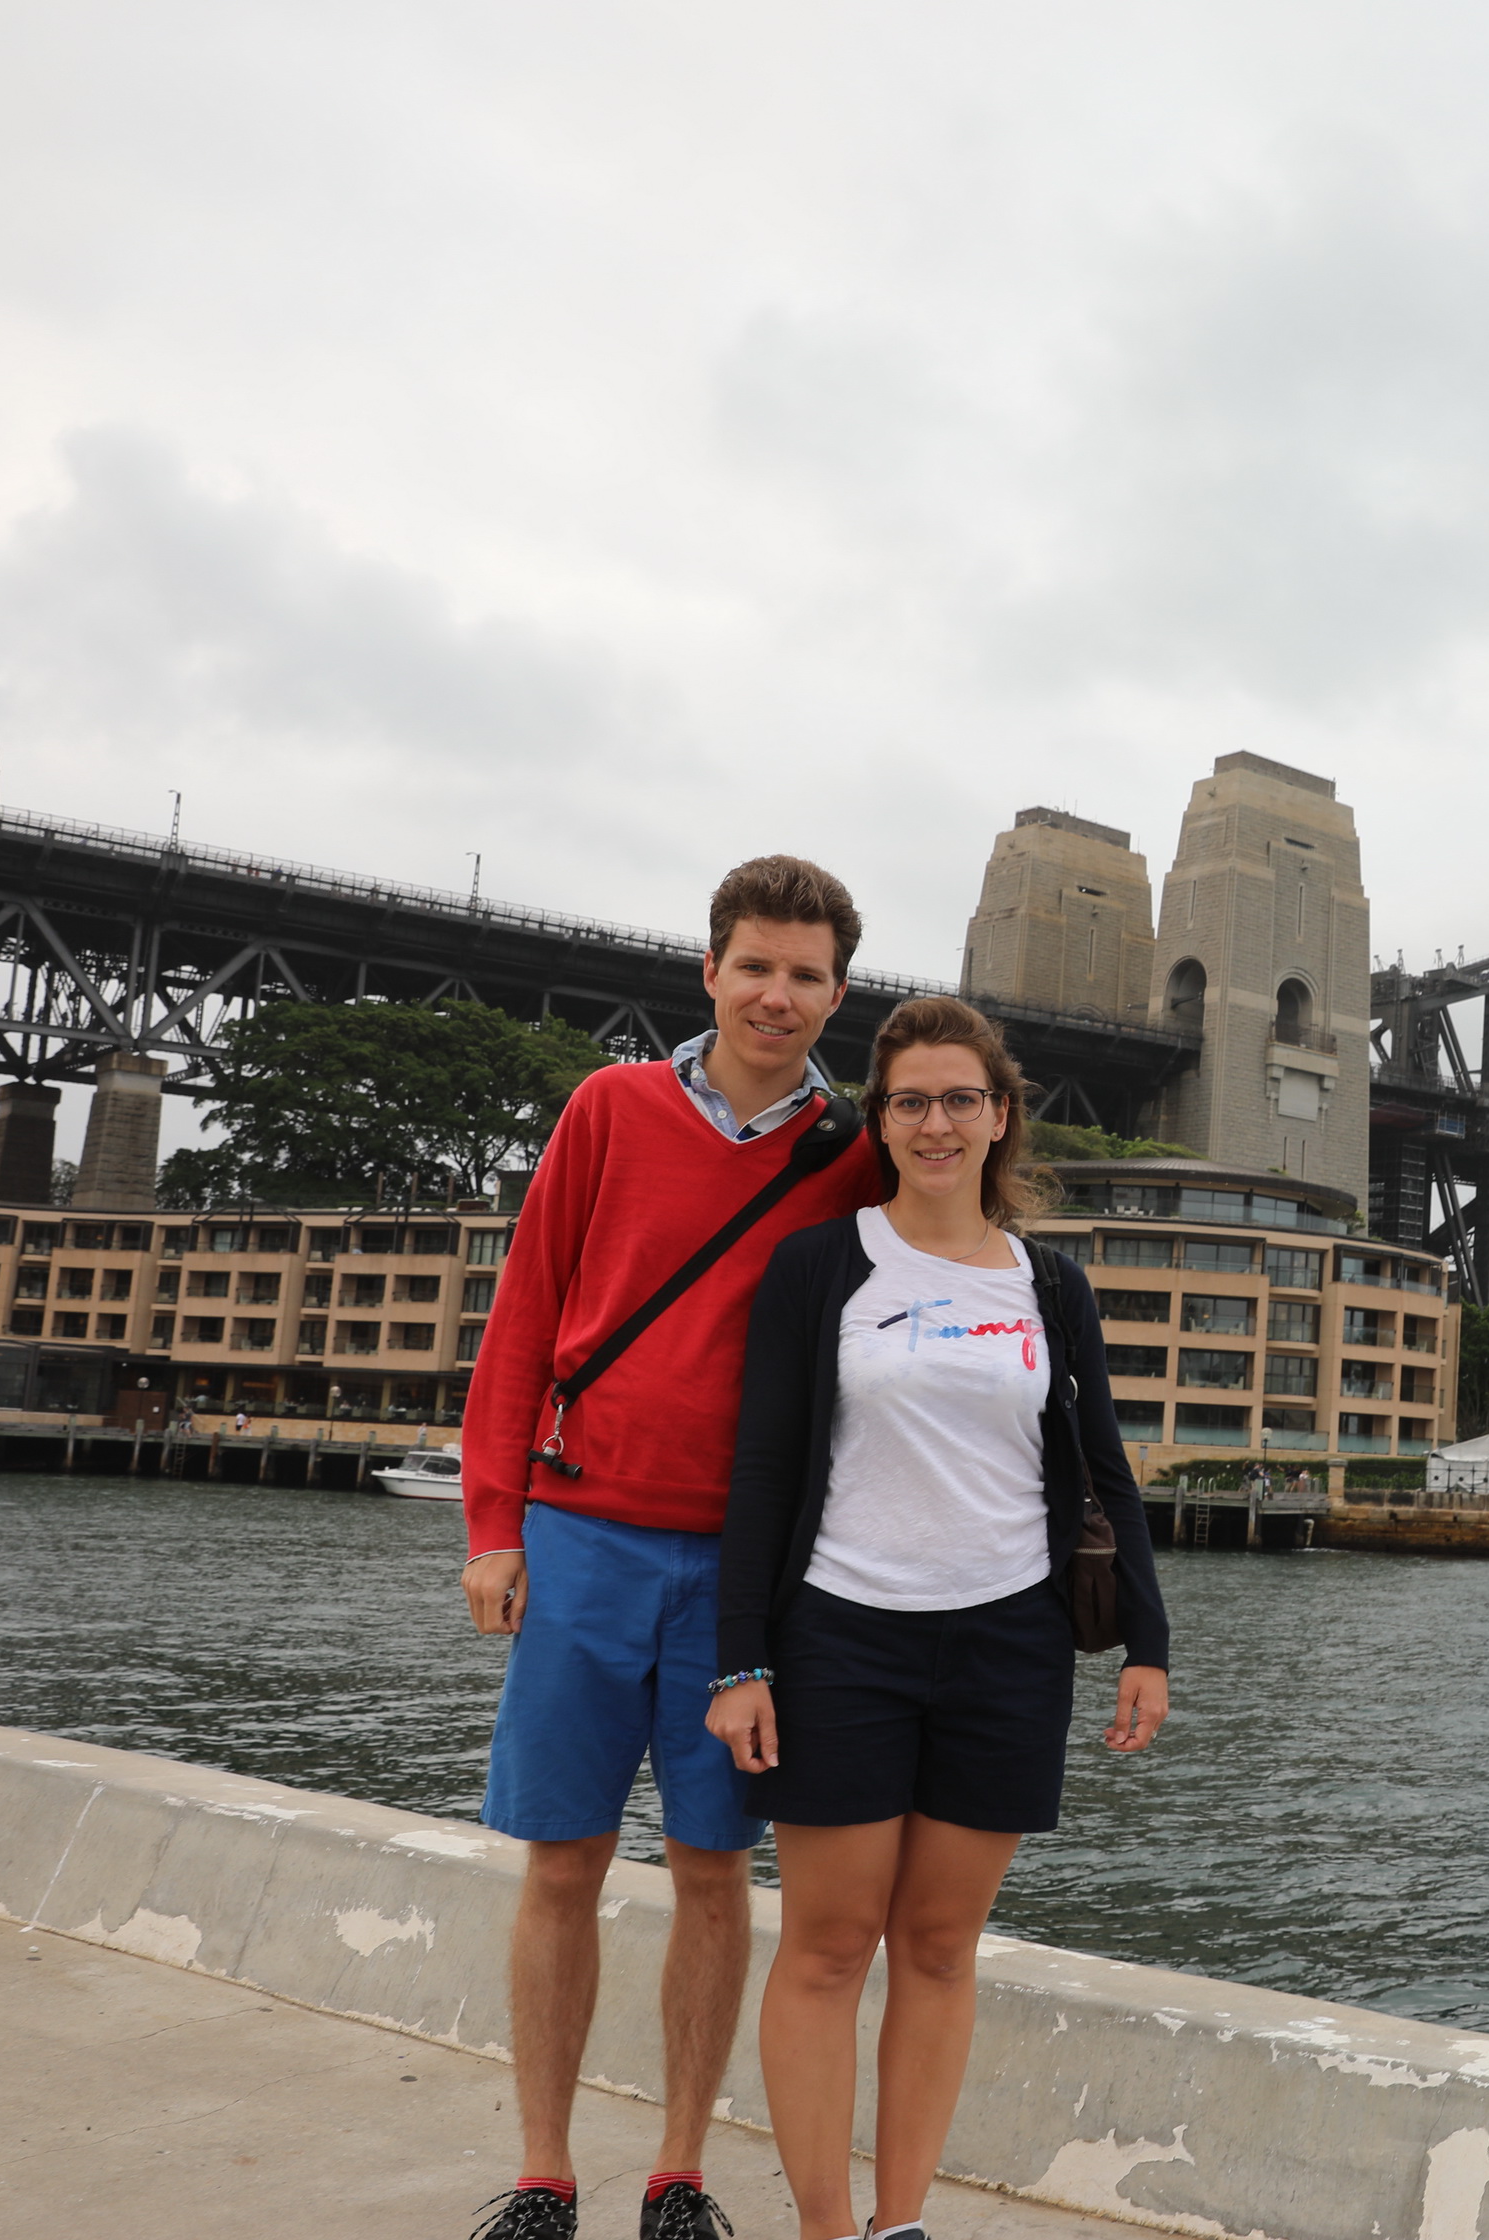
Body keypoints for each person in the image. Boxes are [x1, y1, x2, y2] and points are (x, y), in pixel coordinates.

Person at [457, 857, 883, 2240]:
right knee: (563, 1863)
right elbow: (523, 1314)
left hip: (747, 1570)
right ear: (709, 972)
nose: (777, 993)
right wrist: (491, 1523)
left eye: (807, 974)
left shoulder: (855, 1157)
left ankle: (679, 2173)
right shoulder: (611, 1106)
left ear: (837, 993)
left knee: (714, 1871)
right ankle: (542, 2173)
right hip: (581, 1534)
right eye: (754, 965)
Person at [709, 995, 1171, 2240]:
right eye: (909, 1098)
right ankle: (821, 2226)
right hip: (839, 1632)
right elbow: (763, 1470)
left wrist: (1149, 1644)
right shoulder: (821, 1265)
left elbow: (1102, 1469)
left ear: (1000, 1114)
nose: (936, 1120)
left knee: (939, 1944)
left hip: (1008, 1643)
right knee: (826, 1943)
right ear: (882, 1118)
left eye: (961, 1096)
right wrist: (739, 1657)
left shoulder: (1050, 1281)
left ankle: (898, 2220)